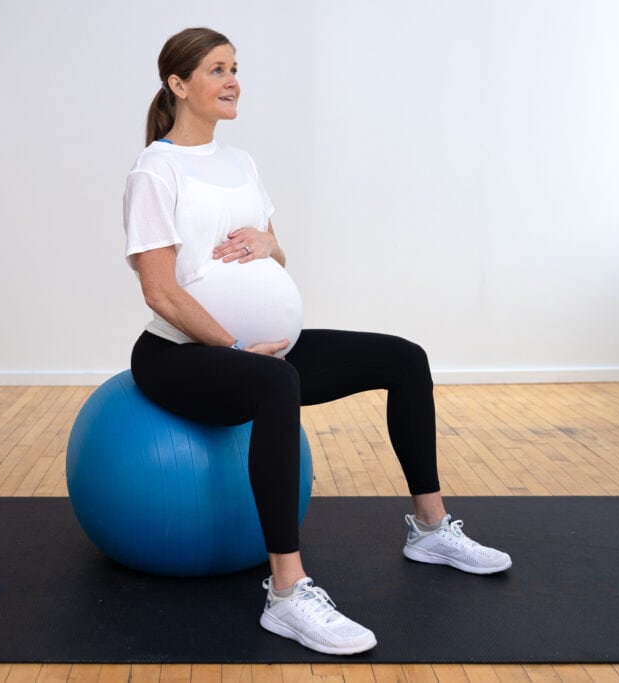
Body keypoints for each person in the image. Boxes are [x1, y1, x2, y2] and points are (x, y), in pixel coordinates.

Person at [123, 27, 512, 656]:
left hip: (264, 349)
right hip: (181, 356)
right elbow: (160, 292)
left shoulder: (241, 163)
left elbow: (276, 250)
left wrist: (265, 243)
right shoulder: (154, 171)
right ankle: (286, 592)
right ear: (178, 85)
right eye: (217, 70)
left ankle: (432, 528)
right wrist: (229, 349)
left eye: (234, 68)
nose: (232, 81)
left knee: (404, 358)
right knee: (278, 383)